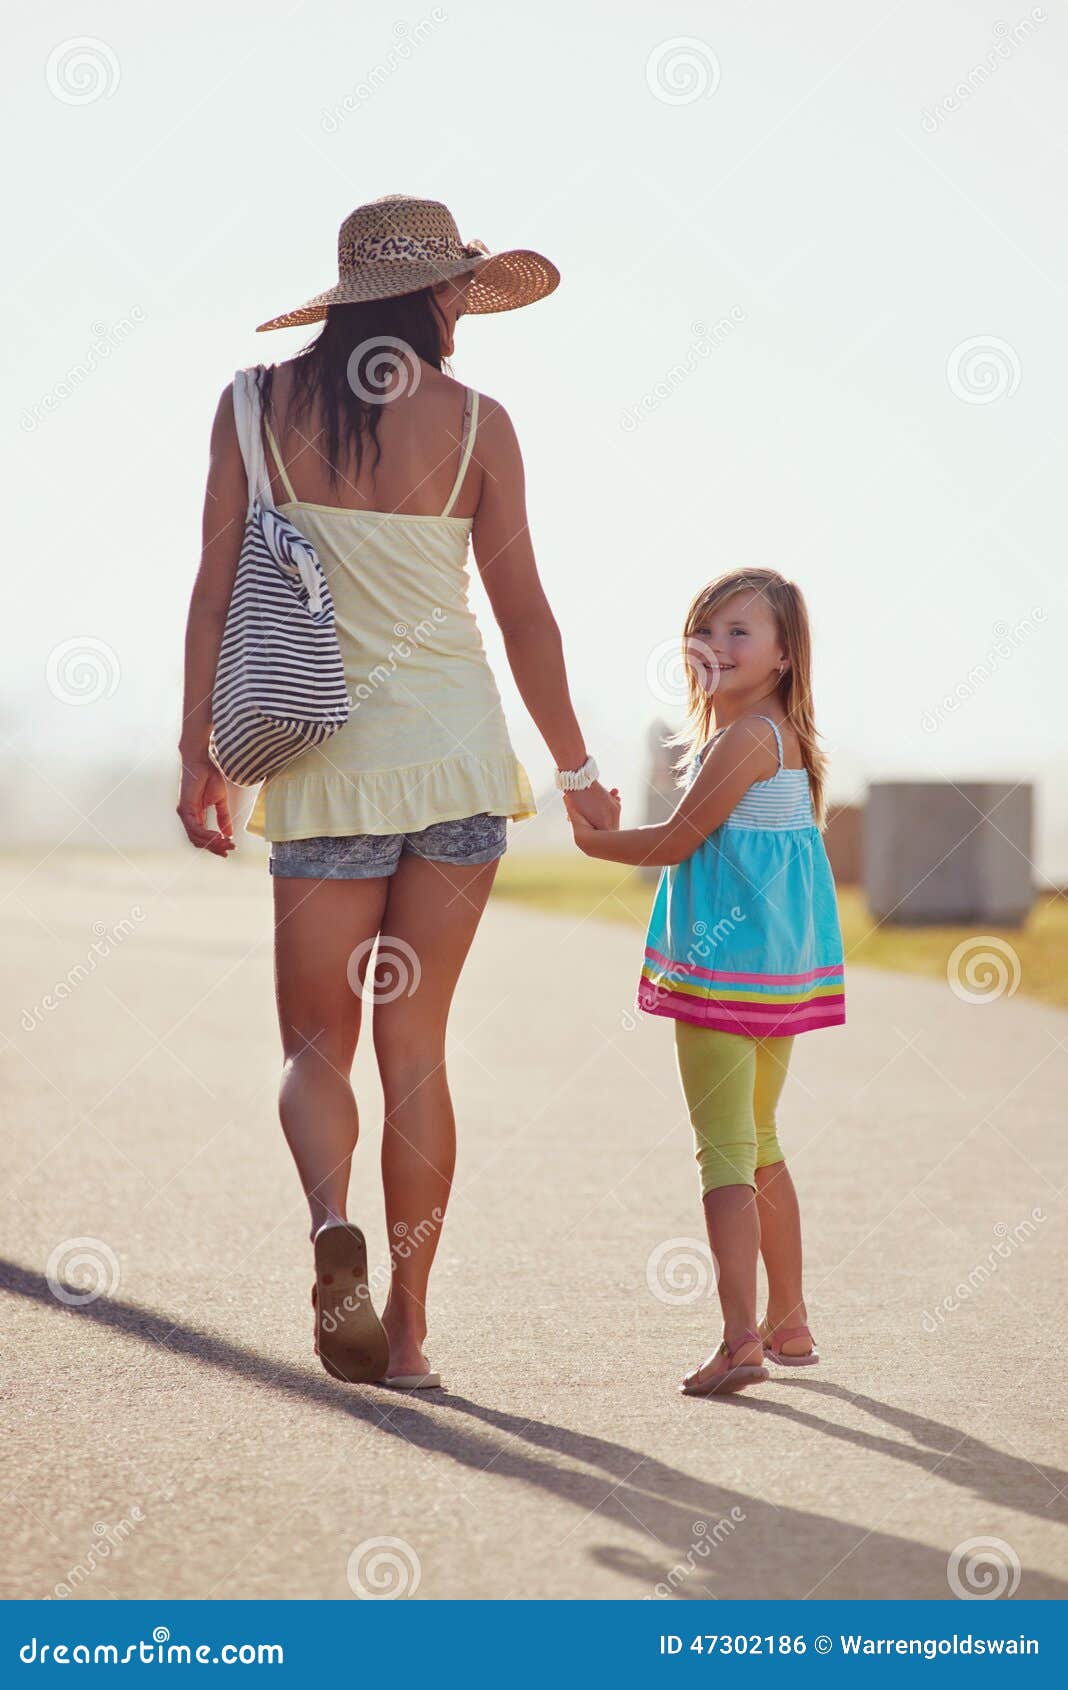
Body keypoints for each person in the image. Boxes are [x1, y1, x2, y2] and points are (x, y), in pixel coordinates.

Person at [177, 195, 617, 1388]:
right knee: (413, 1044)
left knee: (316, 1042)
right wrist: (577, 772)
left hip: (322, 769)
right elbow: (525, 617)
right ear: (426, 298)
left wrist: (197, 750)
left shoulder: (253, 407)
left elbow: (216, 586)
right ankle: (412, 1333)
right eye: (458, 292)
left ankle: (334, 1236)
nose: (465, 311)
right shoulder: (480, 425)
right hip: (460, 760)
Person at [570, 568, 845, 1397]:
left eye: (740, 633)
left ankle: (738, 1342)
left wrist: (593, 840)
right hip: (774, 978)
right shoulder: (776, 737)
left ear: (784, 655)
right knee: (758, 1138)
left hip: (727, 977)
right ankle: (787, 1321)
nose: (717, 648)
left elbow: (678, 839)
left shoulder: (747, 738)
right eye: (706, 630)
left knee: (723, 1151)